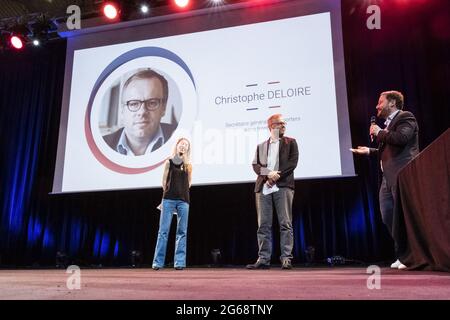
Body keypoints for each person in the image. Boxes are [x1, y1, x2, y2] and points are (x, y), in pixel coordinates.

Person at [351, 90, 419, 270]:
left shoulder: (406, 117)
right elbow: (387, 150)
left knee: (404, 217)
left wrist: (379, 132)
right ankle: (403, 253)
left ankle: (413, 255)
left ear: (392, 104)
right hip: (387, 179)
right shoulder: (387, 126)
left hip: (402, 175)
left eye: (380, 102)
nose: (377, 106)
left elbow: (402, 139)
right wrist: (370, 151)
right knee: (388, 216)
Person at [247, 114, 299, 270]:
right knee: (263, 225)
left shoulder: (291, 142)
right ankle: (263, 258)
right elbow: (255, 165)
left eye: (284, 123)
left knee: (285, 223)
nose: (283, 125)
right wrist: (268, 174)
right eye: (280, 123)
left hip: (283, 186)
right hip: (263, 187)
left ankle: (286, 258)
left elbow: (292, 162)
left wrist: (277, 175)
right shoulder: (261, 146)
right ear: (271, 126)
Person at [103, 69, 175, 156]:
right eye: (133, 104)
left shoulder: (184, 139)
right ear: (122, 110)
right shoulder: (101, 147)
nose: (142, 112)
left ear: (163, 108)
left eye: (152, 103)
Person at [152, 138, 192, 270]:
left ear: (187, 149)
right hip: (168, 199)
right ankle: (158, 262)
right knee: (163, 231)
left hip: (184, 201)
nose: (183, 146)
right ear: (177, 146)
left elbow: (189, 183)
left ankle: (179, 262)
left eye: (186, 145)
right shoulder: (168, 162)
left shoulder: (189, 166)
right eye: (182, 144)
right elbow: (164, 182)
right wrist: (169, 192)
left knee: (182, 231)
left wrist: (181, 192)